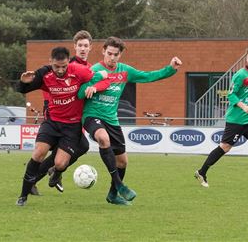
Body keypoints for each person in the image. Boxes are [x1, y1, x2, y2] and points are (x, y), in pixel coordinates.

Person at [78, 36, 182, 206]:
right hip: (92, 116)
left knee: (123, 161)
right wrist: (90, 86)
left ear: (120, 55)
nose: (112, 58)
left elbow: (148, 76)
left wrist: (170, 69)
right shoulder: (94, 70)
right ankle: (119, 185)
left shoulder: (125, 71)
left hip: (112, 119)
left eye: (116, 55)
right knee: (103, 139)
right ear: (103, 51)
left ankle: (112, 195)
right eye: (109, 53)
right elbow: (80, 93)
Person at [16, 46, 109, 206]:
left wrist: (95, 86)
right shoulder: (44, 74)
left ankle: (56, 173)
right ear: (51, 62)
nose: (60, 70)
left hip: (72, 126)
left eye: (64, 66)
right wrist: (23, 83)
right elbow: (23, 89)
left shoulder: (79, 71)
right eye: (56, 66)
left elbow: (105, 79)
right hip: (52, 123)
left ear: (68, 62)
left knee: (60, 163)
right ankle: (23, 196)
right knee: (38, 153)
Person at [194, 46, 248, 188]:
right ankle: (202, 172)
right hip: (236, 119)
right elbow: (231, 94)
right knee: (225, 147)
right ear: (246, 59)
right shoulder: (240, 75)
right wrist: (244, 106)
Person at [31, 30, 93, 195]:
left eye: (86, 46)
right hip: (59, 117)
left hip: (75, 117)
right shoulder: (66, 65)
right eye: (80, 45)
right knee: (78, 147)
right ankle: (50, 174)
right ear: (74, 47)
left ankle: (51, 173)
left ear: (90, 48)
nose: (82, 49)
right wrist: (47, 104)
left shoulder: (88, 68)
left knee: (80, 147)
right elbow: (47, 81)